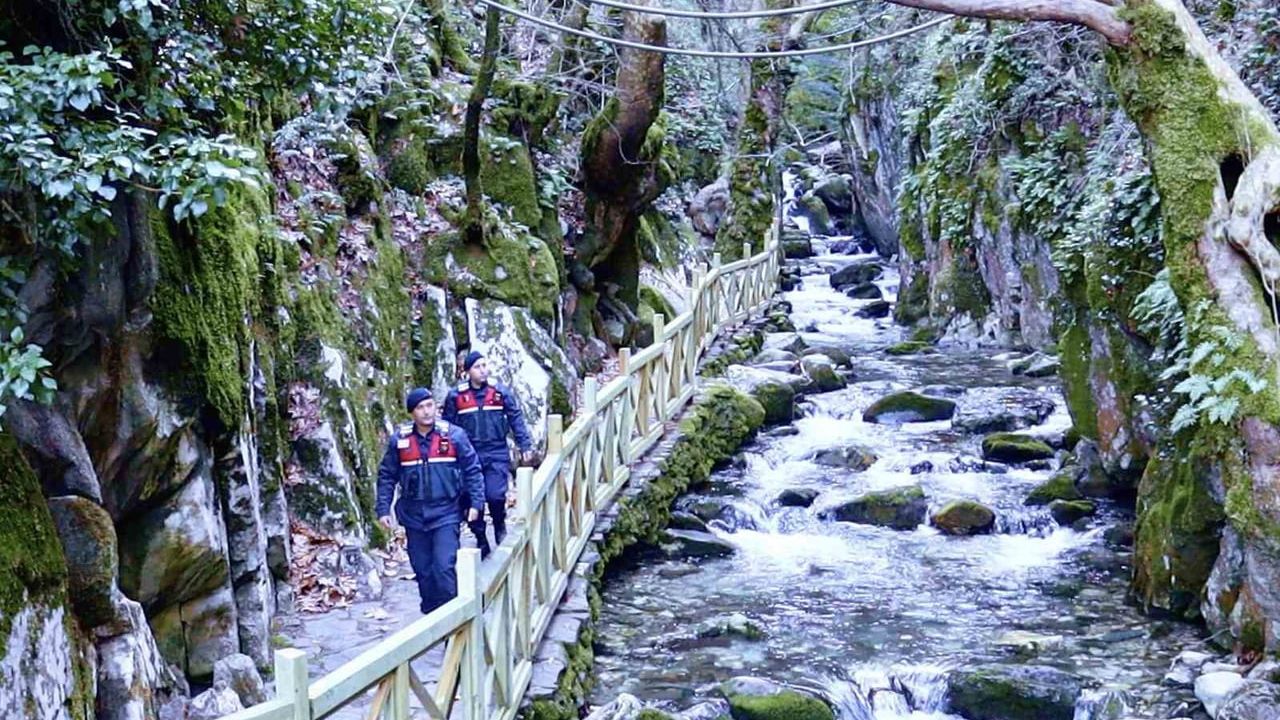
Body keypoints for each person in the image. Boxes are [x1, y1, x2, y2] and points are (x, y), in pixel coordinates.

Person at [376, 387, 485, 614]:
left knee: (444, 568)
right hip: (413, 516)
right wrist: (383, 509)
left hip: (446, 512)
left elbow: (472, 469)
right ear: (412, 413)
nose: (426, 411)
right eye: (420, 408)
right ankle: (432, 615)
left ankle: (454, 621)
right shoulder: (400, 440)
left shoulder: (454, 436)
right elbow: (387, 475)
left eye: (429, 405)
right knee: (423, 572)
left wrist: (476, 503)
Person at [442, 351, 534, 559]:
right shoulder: (456, 397)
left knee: (495, 494)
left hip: (495, 451)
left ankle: (499, 523)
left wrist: (524, 444)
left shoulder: (499, 392)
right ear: (467, 372)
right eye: (477, 367)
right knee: (470, 499)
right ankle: (480, 537)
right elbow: (447, 429)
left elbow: (515, 417)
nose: (483, 370)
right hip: (468, 455)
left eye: (484, 365)